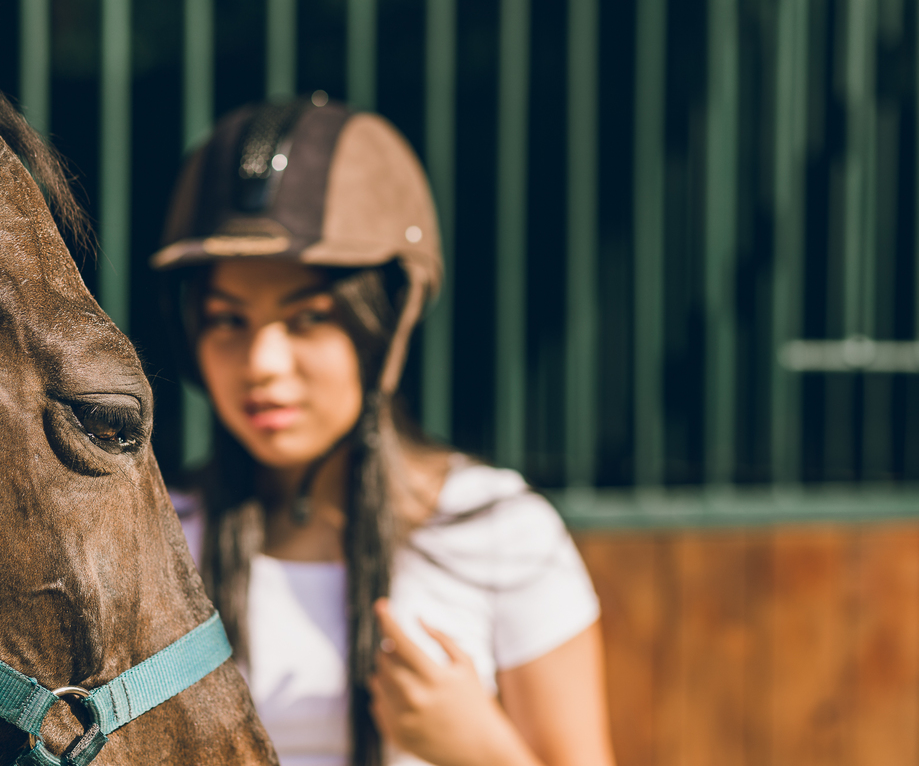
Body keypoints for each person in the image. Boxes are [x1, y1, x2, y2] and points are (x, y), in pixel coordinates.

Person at [150, 96, 616, 766]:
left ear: (384, 325)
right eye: (227, 320)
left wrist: (481, 749)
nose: (262, 363)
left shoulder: (500, 533)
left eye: (309, 318)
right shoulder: (155, 535)